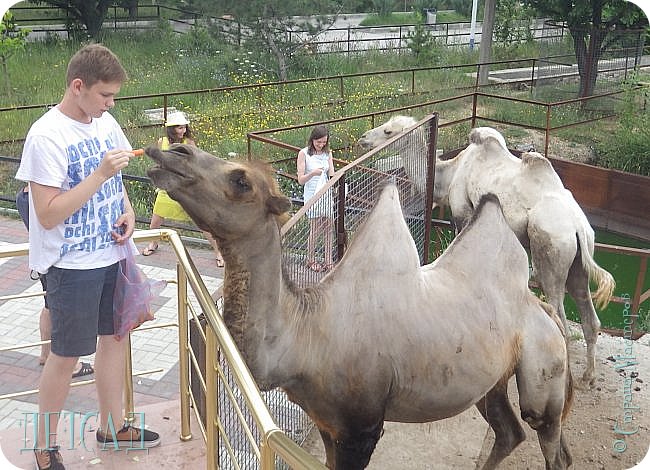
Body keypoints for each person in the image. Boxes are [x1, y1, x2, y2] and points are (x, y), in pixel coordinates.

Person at [15, 44, 160, 470]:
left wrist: (129, 212)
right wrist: (99, 174)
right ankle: (45, 446)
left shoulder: (105, 121)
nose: (111, 104)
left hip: (111, 255)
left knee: (116, 339)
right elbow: (46, 212)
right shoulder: (46, 136)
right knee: (66, 354)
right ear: (77, 86)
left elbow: (118, 186)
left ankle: (112, 426)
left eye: (113, 96)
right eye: (104, 95)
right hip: (71, 265)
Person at [15, 186, 94, 378]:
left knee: (49, 303)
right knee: (60, 306)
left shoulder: (26, 196)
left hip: (43, 252)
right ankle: (67, 363)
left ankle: (46, 353)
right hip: (59, 256)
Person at [141, 112, 225, 267]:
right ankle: (153, 243)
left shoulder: (189, 143)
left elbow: (196, 164)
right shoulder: (162, 141)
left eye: (184, 127)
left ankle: (218, 252)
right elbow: (160, 161)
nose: (183, 130)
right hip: (167, 187)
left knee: (202, 223)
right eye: (180, 127)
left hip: (185, 189)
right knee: (156, 220)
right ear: (172, 129)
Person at [297, 125, 335, 272]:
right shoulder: (304, 153)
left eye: (324, 142)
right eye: (318, 142)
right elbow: (300, 179)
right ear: (312, 140)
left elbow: (331, 172)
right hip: (312, 191)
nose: (321, 145)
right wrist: (313, 173)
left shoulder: (327, 153)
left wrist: (335, 184)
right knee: (315, 226)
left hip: (325, 190)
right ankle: (311, 259)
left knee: (328, 225)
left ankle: (328, 259)